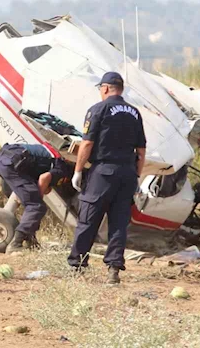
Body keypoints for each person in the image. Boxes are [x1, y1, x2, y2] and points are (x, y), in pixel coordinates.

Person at [67, 71, 146, 284]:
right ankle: (113, 270)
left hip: (103, 173)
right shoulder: (135, 112)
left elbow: (87, 143)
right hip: (127, 174)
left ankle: (77, 265)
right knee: (119, 222)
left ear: (105, 88)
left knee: (88, 218)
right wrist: (137, 176)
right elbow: (141, 150)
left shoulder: (98, 109)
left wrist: (78, 171)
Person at [0, 143, 74, 254]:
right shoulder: (64, 168)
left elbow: (46, 186)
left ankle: (31, 242)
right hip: (13, 163)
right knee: (36, 206)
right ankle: (16, 244)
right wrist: (35, 201)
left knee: (34, 205)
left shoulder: (53, 156)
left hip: (2, 160)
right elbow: (44, 178)